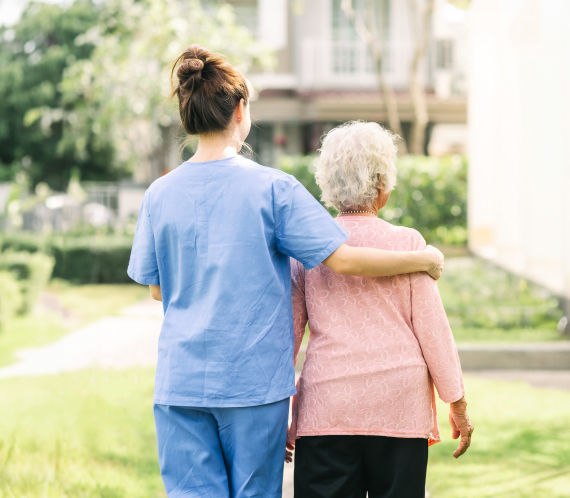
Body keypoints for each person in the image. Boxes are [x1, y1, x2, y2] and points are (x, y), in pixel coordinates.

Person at [127, 46, 444, 498]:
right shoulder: (273, 188)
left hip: (180, 383)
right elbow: (344, 258)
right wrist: (421, 259)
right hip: (252, 385)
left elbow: (158, 289)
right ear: (241, 110)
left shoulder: (158, 194)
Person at [287, 121, 473, 498]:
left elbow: (285, 338)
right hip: (398, 408)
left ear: (328, 182)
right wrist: (458, 405)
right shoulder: (408, 244)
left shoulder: (308, 249)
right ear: (382, 185)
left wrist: (279, 414)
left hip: (327, 409)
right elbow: (433, 333)